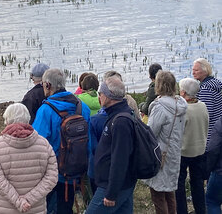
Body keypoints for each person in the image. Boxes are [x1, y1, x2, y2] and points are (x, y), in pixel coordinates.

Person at [32, 68, 91, 214]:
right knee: (66, 206)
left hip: (54, 173)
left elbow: (37, 143)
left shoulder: (45, 110)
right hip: (77, 168)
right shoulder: (82, 106)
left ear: (48, 85)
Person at [0, 103, 58, 214]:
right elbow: (51, 178)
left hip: (3, 207)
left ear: (7, 120)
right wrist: (28, 199)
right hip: (35, 207)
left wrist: (19, 202)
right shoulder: (44, 144)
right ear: (28, 119)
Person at [86, 76, 137, 214]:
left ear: (109, 96)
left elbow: (120, 159)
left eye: (100, 93)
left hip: (112, 185)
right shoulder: (119, 115)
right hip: (123, 183)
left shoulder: (120, 121)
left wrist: (111, 193)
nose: (99, 97)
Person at [144, 71, 187, 214]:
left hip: (160, 154)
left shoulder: (160, 107)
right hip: (174, 152)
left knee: (158, 195)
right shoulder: (180, 104)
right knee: (169, 192)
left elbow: (150, 133)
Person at [175, 78, 209, 214]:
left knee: (180, 184)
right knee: (197, 183)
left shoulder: (184, 110)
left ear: (183, 92)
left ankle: (181, 210)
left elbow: (178, 132)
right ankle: (201, 210)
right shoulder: (203, 106)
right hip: (200, 149)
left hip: (184, 151)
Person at [192, 58, 222, 146]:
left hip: (211, 135)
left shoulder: (206, 89)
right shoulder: (215, 83)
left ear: (205, 71)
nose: (193, 72)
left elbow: (206, 113)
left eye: (196, 70)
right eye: (193, 70)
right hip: (218, 128)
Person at [206, 115, 222, 213]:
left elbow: (212, 149)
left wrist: (208, 168)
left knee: (212, 201)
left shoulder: (220, 123)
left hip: (220, 172)